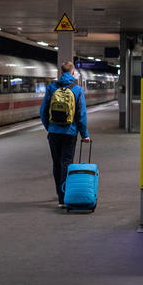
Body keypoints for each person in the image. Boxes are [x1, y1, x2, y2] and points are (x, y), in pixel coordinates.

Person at [39, 61, 90, 208]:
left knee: (57, 164)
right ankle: (65, 195)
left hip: (54, 133)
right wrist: (84, 134)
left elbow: (43, 111)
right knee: (66, 163)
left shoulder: (51, 88)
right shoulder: (77, 90)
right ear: (73, 73)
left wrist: (49, 127)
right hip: (70, 132)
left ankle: (59, 196)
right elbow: (81, 115)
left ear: (61, 73)